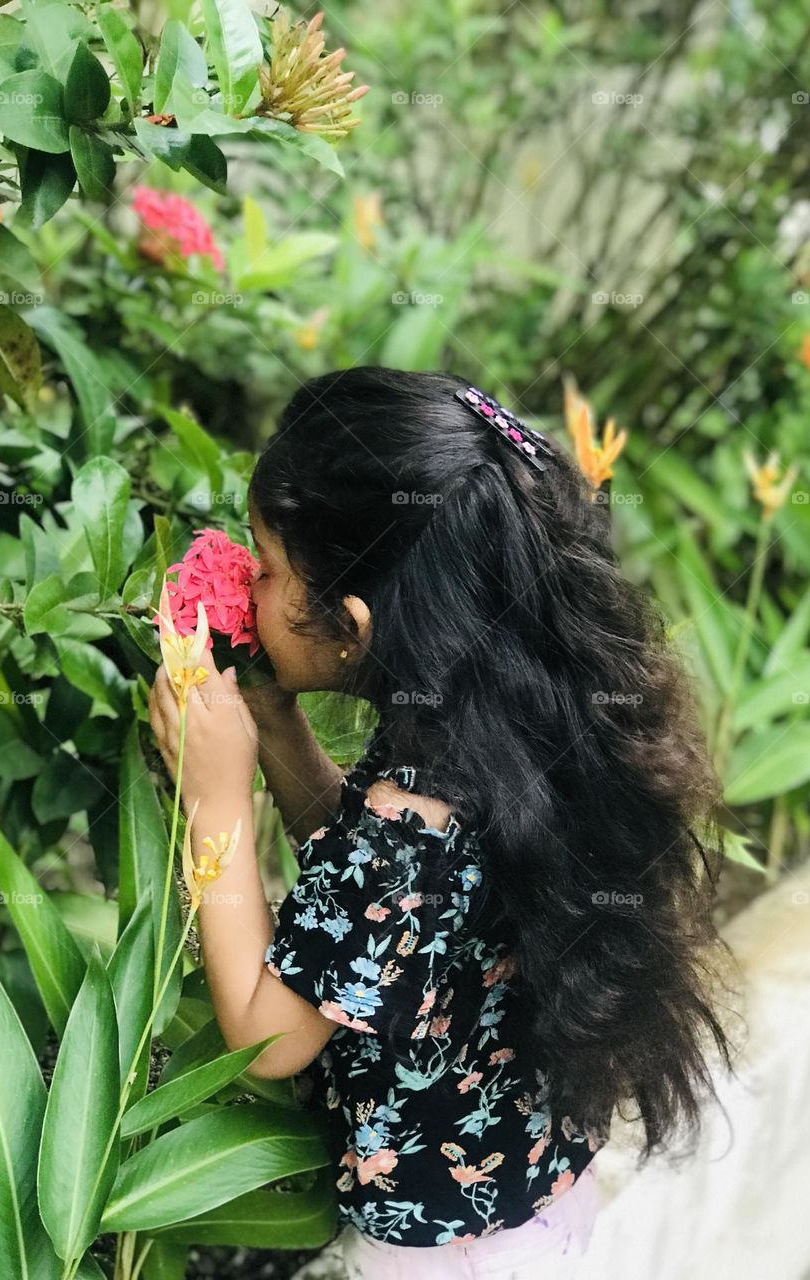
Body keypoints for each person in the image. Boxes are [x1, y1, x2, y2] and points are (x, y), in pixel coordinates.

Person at [148, 366, 738, 1279]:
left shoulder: (411, 818)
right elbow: (376, 909)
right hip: (526, 1203)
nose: (249, 583)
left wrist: (213, 803)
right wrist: (271, 724)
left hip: (440, 1254)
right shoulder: (490, 731)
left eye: (265, 567)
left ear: (350, 624)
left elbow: (270, 1037)